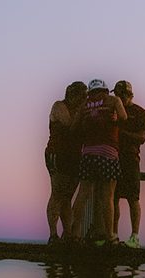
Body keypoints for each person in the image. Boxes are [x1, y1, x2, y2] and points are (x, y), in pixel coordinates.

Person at [69, 79, 127, 245]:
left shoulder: (85, 105)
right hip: (108, 152)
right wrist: (113, 121)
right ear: (105, 89)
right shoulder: (113, 100)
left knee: (83, 194)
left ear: (90, 91)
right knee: (107, 196)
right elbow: (123, 118)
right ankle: (110, 236)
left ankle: (74, 234)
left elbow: (73, 128)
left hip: (88, 153)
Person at [45, 81, 87, 244]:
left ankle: (68, 234)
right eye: (82, 96)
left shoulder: (81, 111)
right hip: (58, 154)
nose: (84, 99)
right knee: (57, 193)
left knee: (68, 196)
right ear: (72, 95)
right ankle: (53, 234)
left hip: (75, 156)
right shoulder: (59, 106)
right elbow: (70, 125)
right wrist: (83, 112)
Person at [111, 80, 145, 248]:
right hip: (112, 158)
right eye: (116, 94)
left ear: (129, 95)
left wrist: (121, 133)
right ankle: (113, 235)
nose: (119, 97)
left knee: (133, 198)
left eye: (122, 95)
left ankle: (135, 236)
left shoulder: (141, 113)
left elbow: (141, 138)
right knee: (113, 198)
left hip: (131, 159)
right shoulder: (112, 110)